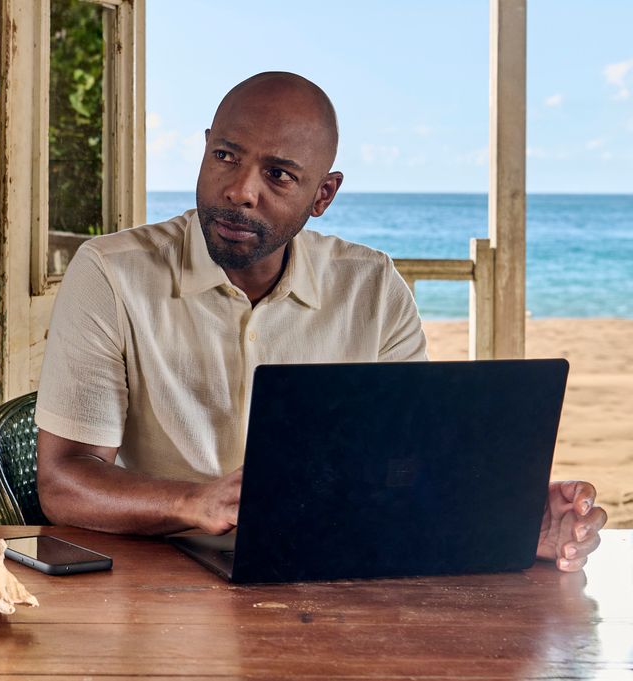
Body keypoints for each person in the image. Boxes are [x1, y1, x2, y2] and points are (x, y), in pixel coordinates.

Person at [33, 71, 607, 572]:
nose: (240, 191)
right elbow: (64, 482)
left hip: (328, 578)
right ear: (206, 148)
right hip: (152, 581)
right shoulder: (110, 273)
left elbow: (404, 473)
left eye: (279, 175)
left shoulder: (374, 289)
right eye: (226, 156)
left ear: (324, 194)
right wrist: (195, 502)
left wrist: (510, 522)